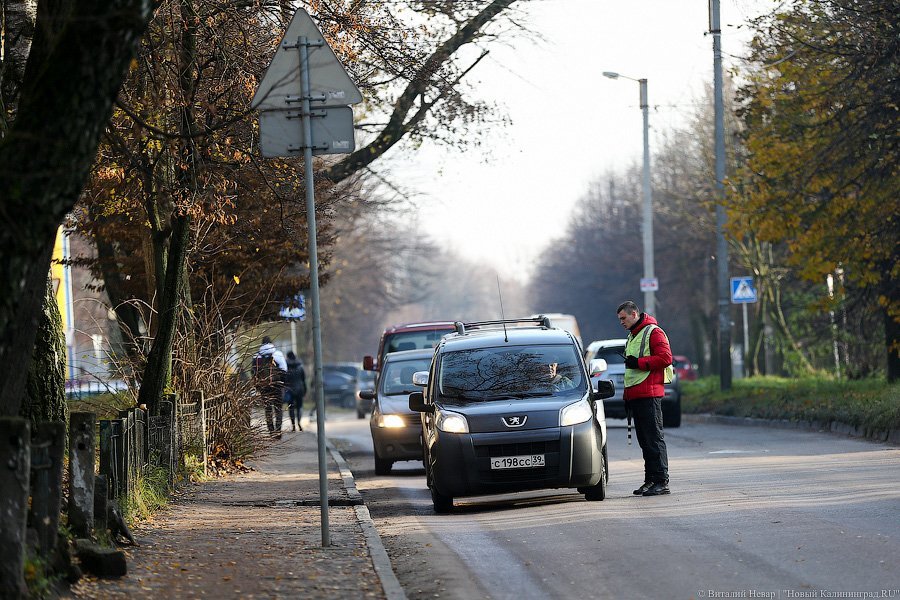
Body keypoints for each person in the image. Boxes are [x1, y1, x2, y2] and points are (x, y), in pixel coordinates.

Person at [616, 300, 672, 496]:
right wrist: (627, 396)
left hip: (649, 394)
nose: (621, 322)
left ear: (634, 314)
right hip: (637, 395)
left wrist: (639, 363)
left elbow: (666, 358)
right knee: (645, 442)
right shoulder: (633, 335)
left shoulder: (653, 332)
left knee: (654, 439)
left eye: (623, 318)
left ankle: (661, 481)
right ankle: (650, 480)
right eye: (620, 319)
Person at [253, 336, 287, 438]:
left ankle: (271, 431)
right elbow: (284, 370)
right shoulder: (278, 354)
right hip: (277, 385)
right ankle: (278, 431)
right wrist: (282, 383)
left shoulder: (256, 356)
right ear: (271, 343)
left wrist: (258, 386)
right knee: (278, 409)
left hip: (264, 386)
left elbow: (253, 372)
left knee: (268, 409)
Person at [284, 351, 307, 432]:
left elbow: (284, 379)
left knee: (291, 408)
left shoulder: (286, 367)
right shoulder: (300, 366)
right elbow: (303, 379)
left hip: (290, 390)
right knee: (299, 407)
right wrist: (305, 390)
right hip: (299, 389)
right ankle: (299, 423)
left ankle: (293, 425)